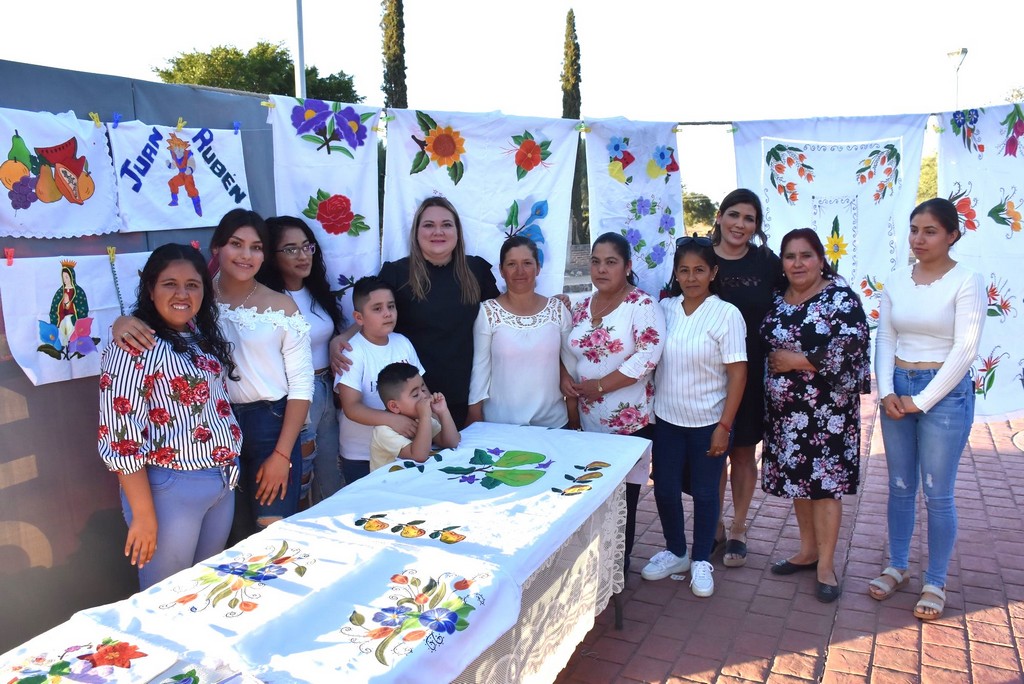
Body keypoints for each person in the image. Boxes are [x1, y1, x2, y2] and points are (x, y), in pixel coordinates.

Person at [113, 209, 313, 540]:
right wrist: (120, 323)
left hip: (271, 424)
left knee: (272, 530)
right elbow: (154, 322)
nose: (246, 255)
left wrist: (281, 455)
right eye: (236, 244)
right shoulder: (194, 299)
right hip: (212, 428)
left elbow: (302, 387)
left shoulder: (283, 307)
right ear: (217, 247)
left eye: (256, 247)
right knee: (233, 536)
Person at [868, 198, 986, 620]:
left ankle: (935, 581)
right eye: (914, 229)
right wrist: (886, 391)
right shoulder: (897, 279)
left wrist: (920, 400)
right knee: (900, 485)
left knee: (937, 492)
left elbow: (965, 349)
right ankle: (897, 566)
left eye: (930, 231)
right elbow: (885, 337)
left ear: (952, 235)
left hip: (945, 394)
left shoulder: (967, 281)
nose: (919, 239)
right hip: (899, 386)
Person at [98, 244, 241, 589]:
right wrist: (144, 516)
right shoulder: (134, 345)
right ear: (150, 289)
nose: (182, 293)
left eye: (192, 285)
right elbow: (120, 436)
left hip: (221, 481)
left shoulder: (198, 336)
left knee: (205, 588)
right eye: (169, 284)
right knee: (166, 596)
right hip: (172, 489)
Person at [761, 228, 870, 603]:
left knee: (824, 488)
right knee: (799, 483)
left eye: (805, 255)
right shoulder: (779, 297)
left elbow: (852, 348)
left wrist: (796, 360)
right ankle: (807, 551)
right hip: (786, 416)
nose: (797, 263)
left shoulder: (840, 298)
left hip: (827, 416)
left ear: (821, 259)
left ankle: (826, 565)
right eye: (790, 256)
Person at [643, 236, 747, 597]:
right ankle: (676, 552)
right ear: (675, 273)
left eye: (699, 270)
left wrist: (724, 426)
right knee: (665, 489)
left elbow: (738, 375)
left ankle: (702, 558)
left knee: (705, 493)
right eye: (684, 270)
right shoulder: (664, 309)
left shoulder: (727, 314)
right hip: (667, 420)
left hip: (708, 422)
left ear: (713, 273)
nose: (691, 278)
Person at [562, 232, 665, 574]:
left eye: (611, 262)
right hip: (588, 423)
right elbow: (567, 353)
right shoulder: (580, 306)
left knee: (623, 501)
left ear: (628, 266)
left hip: (630, 424)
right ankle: (589, 568)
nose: (601, 269)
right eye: (595, 262)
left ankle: (617, 570)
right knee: (590, 496)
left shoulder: (642, 305)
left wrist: (600, 387)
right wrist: (566, 381)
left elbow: (647, 357)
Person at [377, 197, 500, 428]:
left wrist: (550, 304)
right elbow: (373, 318)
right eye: (428, 225)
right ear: (416, 232)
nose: (438, 232)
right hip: (412, 403)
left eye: (446, 224)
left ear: (457, 232)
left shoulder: (476, 271)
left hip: (470, 399)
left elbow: (505, 316)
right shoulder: (396, 274)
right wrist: (342, 339)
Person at [710, 189, 782, 567]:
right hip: (705, 376)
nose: (740, 224)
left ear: (756, 226)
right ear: (719, 217)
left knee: (742, 452)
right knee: (712, 454)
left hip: (751, 374)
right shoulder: (701, 257)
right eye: (734, 215)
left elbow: (794, 300)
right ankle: (714, 525)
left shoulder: (767, 263)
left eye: (749, 219)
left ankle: (738, 528)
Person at [261, 215, 347, 503]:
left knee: (329, 472)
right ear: (271, 255)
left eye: (307, 246)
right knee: (300, 474)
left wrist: (338, 339)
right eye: (291, 249)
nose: (302, 255)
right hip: (296, 395)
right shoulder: (268, 299)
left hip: (326, 389)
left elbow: (340, 329)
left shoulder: (316, 291)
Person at [467, 235, 576, 428]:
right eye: (511, 264)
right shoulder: (488, 312)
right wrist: (474, 414)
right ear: (502, 270)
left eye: (527, 263)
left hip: (554, 424)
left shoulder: (558, 310)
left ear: (538, 268)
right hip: (501, 425)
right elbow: (480, 368)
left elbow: (571, 367)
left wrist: (574, 418)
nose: (520, 271)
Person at [336, 277, 424, 483]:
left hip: (405, 449)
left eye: (391, 306)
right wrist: (393, 420)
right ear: (359, 317)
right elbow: (351, 407)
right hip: (361, 455)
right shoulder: (353, 352)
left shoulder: (403, 343)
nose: (387, 313)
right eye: (377, 308)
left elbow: (422, 390)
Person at [369, 362, 460, 472]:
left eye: (423, 389)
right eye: (415, 395)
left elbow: (452, 442)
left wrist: (443, 412)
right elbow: (418, 456)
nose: (424, 396)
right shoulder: (384, 431)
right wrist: (425, 417)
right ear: (394, 406)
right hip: (387, 482)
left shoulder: (419, 417)